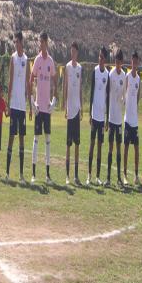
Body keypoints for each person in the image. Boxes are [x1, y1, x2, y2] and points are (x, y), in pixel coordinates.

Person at [30, 31, 57, 183]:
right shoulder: (37, 60)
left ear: (46, 43)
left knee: (48, 139)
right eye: (39, 42)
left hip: (47, 108)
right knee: (36, 138)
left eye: (42, 42)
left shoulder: (51, 62)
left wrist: (54, 101)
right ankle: (33, 174)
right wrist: (33, 101)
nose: (40, 44)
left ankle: (47, 175)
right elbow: (31, 78)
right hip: (39, 108)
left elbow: (55, 81)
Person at [5, 31, 29, 181]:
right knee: (11, 137)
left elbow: (28, 81)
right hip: (14, 104)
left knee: (21, 138)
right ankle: (7, 173)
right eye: (14, 42)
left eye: (16, 41)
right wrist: (8, 104)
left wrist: (30, 103)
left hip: (22, 106)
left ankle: (21, 174)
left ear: (21, 42)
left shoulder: (26, 59)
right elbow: (10, 81)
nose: (15, 44)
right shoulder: (13, 58)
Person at [88, 47, 110, 186]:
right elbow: (91, 94)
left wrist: (107, 119)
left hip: (102, 118)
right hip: (94, 115)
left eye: (102, 57)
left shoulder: (107, 74)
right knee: (91, 145)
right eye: (99, 56)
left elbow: (107, 97)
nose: (99, 59)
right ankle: (89, 176)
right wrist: (90, 113)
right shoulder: (95, 72)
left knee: (100, 147)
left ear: (105, 59)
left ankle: (97, 176)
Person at [64, 43, 83, 185]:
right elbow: (65, 86)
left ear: (77, 53)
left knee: (77, 143)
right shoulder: (67, 67)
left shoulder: (80, 68)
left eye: (74, 51)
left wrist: (81, 107)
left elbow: (80, 88)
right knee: (68, 144)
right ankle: (67, 176)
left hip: (77, 110)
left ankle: (76, 175)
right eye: (71, 51)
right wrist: (65, 106)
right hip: (69, 110)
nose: (72, 54)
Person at [107, 49, 126, 186]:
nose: (117, 64)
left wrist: (124, 101)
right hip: (111, 118)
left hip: (119, 119)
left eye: (119, 61)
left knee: (119, 148)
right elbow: (107, 95)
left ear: (122, 62)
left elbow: (124, 95)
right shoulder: (110, 74)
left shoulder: (124, 76)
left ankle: (119, 177)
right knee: (110, 148)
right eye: (116, 61)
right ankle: (108, 178)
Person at [123, 51, 142, 185]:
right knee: (126, 148)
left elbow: (139, 95)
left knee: (136, 147)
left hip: (135, 120)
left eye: (136, 62)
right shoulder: (127, 77)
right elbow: (124, 95)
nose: (134, 64)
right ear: (131, 62)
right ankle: (124, 175)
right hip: (127, 119)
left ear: (138, 63)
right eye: (133, 61)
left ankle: (136, 175)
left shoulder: (139, 79)